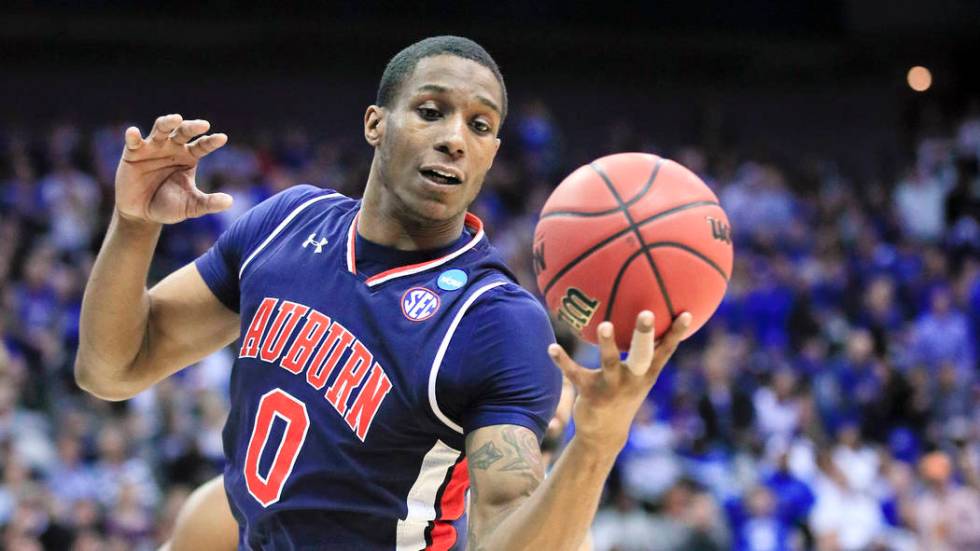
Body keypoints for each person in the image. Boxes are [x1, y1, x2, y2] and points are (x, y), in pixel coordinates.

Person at [75, 35, 691, 550]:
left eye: (480, 126)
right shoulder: (285, 225)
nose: (456, 138)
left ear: (491, 156)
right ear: (375, 123)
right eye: (431, 110)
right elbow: (112, 367)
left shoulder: (493, 320)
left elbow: (505, 521)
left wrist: (599, 439)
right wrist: (134, 225)